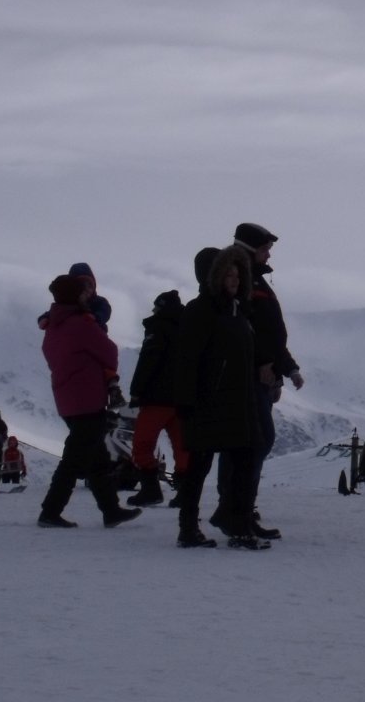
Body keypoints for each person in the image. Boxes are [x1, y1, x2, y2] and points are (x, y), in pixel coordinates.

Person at [212, 222, 302, 541]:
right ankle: (233, 509)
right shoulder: (242, 281)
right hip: (246, 375)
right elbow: (248, 330)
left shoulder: (256, 280)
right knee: (251, 442)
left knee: (252, 442)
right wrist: (265, 363)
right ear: (250, 250)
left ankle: (238, 509)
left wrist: (285, 369)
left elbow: (270, 334)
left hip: (261, 374)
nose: (269, 255)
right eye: (265, 249)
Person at [174, 246, 263, 549]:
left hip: (237, 401)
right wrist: (186, 401)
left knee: (244, 461)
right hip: (208, 400)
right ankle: (188, 528)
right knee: (199, 467)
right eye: (228, 274)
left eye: (238, 274)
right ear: (213, 277)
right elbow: (186, 359)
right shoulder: (201, 310)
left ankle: (237, 524)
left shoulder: (239, 310)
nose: (235, 279)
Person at [36, 273, 141, 529]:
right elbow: (109, 350)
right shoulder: (80, 323)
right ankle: (50, 511)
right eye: (82, 292)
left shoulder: (52, 326)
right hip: (88, 398)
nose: (87, 295)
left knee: (97, 458)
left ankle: (111, 510)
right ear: (75, 296)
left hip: (67, 399)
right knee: (74, 459)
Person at [125, 289, 190, 506]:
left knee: (142, 444)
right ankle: (186, 493)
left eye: (156, 307)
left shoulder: (157, 327)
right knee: (182, 446)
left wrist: (136, 391)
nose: (153, 311)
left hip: (157, 398)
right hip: (181, 398)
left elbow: (148, 359)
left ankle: (150, 490)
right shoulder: (188, 328)